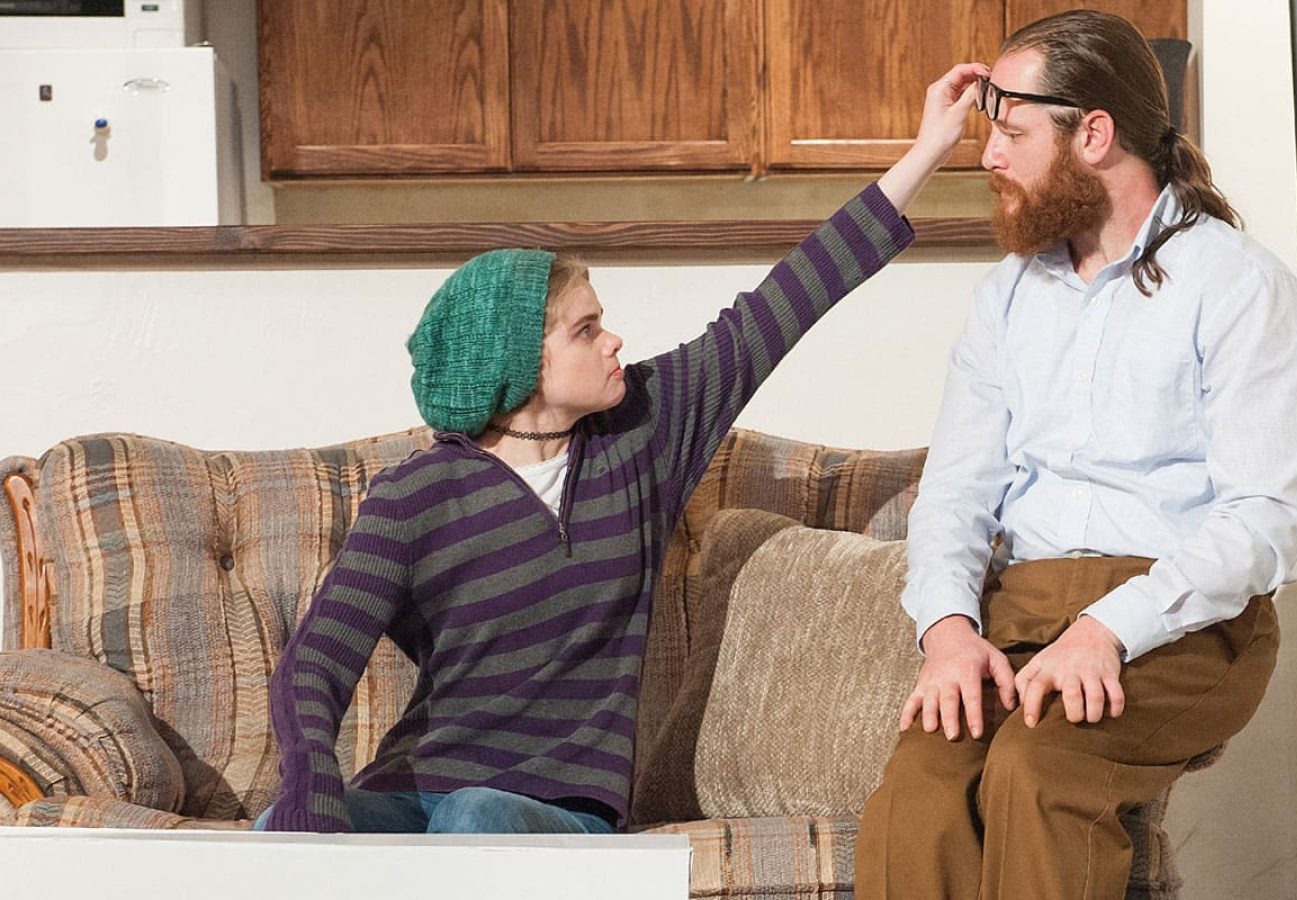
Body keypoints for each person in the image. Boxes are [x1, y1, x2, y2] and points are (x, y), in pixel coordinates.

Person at [255, 64, 992, 835]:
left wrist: (928, 148)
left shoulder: (644, 431)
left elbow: (787, 299)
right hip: (418, 788)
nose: (614, 342)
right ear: (519, 364)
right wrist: (311, 789)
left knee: (476, 819)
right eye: (585, 329)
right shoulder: (416, 496)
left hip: (557, 813)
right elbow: (316, 664)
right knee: (276, 829)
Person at [854, 10, 1297, 899]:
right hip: (1019, 612)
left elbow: (1261, 522)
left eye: (1012, 133)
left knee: (1038, 773)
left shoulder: (1237, 286)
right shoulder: (1007, 298)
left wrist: (1107, 630)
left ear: (1093, 134)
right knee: (917, 794)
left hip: (1185, 622)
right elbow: (953, 496)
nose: (989, 156)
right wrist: (949, 631)